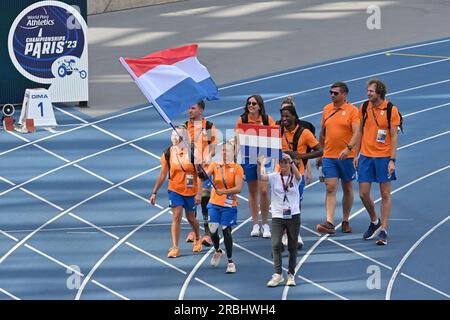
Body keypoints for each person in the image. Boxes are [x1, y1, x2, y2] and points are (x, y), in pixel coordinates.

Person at [354, 79, 400, 245]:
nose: (368, 94)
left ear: (379, 92)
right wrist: (355, 154)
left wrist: (392, 160)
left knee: (385, 194)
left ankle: (384, 230)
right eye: (368, 91)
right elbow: (360, 131)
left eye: (371, 91)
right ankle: (375, 221)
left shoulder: (391, 110)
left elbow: (394, 136)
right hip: (365, 156)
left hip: (383, 157)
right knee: (363, 193)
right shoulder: (364, 107)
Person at [150, 125, 203, 258]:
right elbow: (163, 174)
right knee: (176, 216)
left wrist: (199, 193)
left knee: (191, 218)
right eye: (172, 135)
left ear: (184, 137)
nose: (174, 137)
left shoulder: (193, 153)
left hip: (190, 190)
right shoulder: (168, 152)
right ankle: (175, 247)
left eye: (177, 135)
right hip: (174, 189)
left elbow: (200, 175)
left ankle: (197, 237)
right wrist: (154, 192)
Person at [316, 82, 360, 234]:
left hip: (346, 157)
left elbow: (357, 132)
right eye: (331, 92)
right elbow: (322, 132)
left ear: (344, 95)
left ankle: (345, 220)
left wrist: (348, 149)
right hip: (329, 156)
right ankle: (329, 222)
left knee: (347, 188)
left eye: (335, 93)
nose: (332, 95)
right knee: (330, 187)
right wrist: (320, 152)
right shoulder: (327, 109)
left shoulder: (352, 111)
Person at [278, 104, 323, 248]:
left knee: (296, 205)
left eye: (287, 116)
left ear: (294, 117)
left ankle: (295, 233)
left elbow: (319, 151)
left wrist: (302, 156)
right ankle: (285, 233)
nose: (284, 119)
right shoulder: (277, 131)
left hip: (297, 176)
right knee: (283, 204)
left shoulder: (305, 133)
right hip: (280, 174)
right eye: (282, 116)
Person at [258, 152, 302, 287]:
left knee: (292, 246)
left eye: (285, 162)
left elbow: (300, 176)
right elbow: (261, 177)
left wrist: (292, 161)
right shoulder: (274, 177)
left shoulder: (295, 178)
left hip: (293, 215)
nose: (283, 165)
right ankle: (278, 274)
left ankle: (291, 274)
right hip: (278, 215)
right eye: (281, 162)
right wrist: (261, 164)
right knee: (276, 244)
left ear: (289, 164)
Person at [235, 95, 276, 238]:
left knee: (264, 191)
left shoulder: (267, 119)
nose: (251, 105)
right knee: (252, 192)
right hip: (248, 158)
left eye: (254, 103)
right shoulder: (242, 120)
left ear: (260, 106)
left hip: (264, 158)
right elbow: (238, 141)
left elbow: (273, 138)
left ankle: (265, 224)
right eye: (249, 103)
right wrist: (237, 161)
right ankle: (255, 224)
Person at [200, 141, 244, 273]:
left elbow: (239, 188)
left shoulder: (237, 168)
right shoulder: (215, 165)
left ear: (233, 153)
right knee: (212, 230)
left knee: (226, 230)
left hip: (229, 205)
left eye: (227, 151)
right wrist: (199, 168)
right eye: (223, 150)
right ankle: (218, 250)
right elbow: (203, 177)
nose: (224, 153)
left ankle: (230, 262)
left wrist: (223, 192)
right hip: (214, 203)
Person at [184, 100, 218, 247]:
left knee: (204, 200)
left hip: (204, 170)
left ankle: (207, 234)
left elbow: (214, 147)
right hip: (189, 171)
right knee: (191, 200)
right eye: (189, 108)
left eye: (193, 108)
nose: (189, 110)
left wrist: (207, 156)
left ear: (201, 110)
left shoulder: (209, 126)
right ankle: (194, 231)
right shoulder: (184, 126)